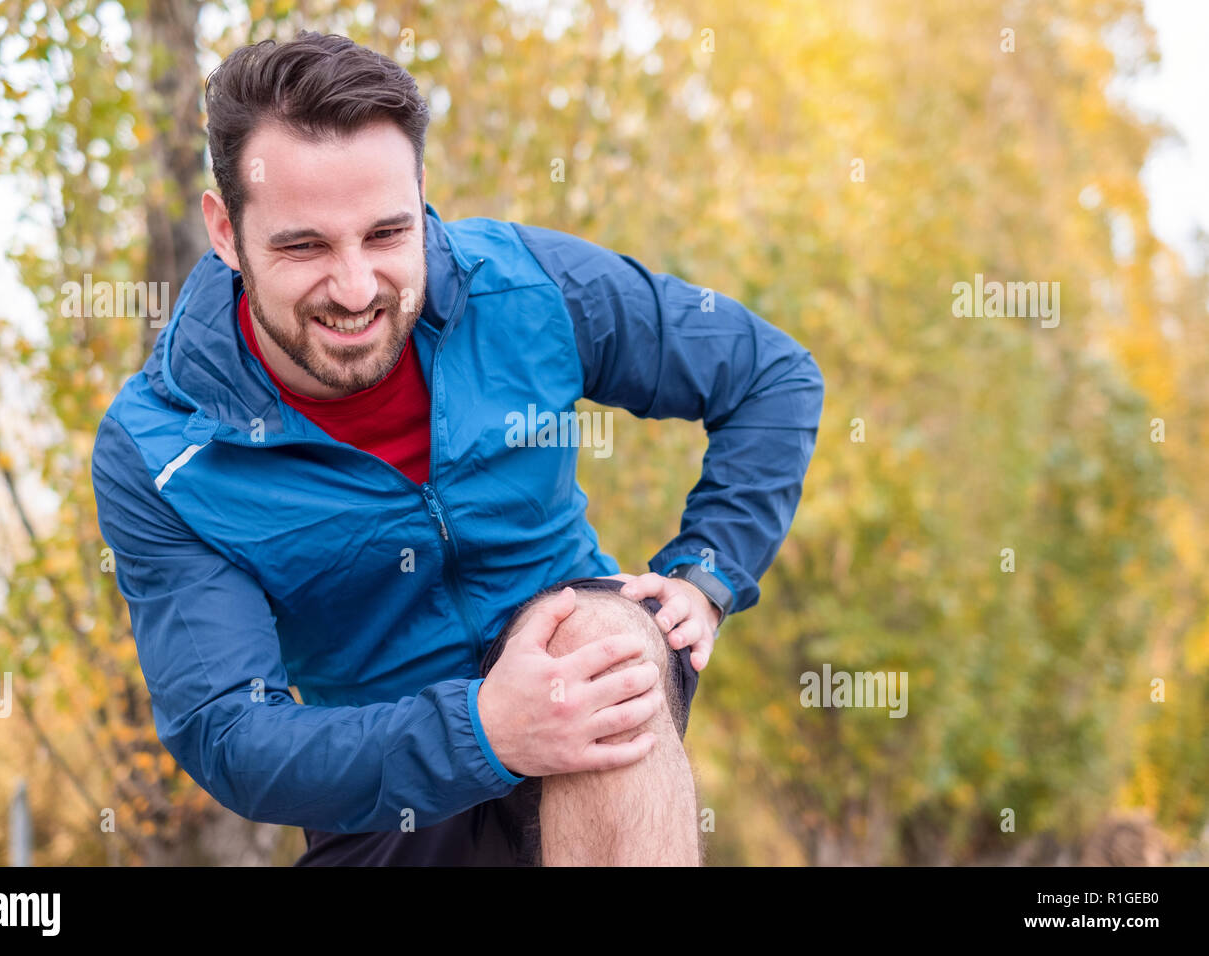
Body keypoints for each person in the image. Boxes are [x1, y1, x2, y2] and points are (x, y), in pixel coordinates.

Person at [90, 30, 824, 866]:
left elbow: (771, 377)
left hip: (588, 685)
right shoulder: (157, 450)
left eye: (386, 234)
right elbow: (230, 731)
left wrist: (710, 569)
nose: (357, 288)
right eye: (305, 246)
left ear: (422, 196)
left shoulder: (524, 286)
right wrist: (485, 730)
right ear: (226, 231)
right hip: (387, 796)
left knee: (601, 647)